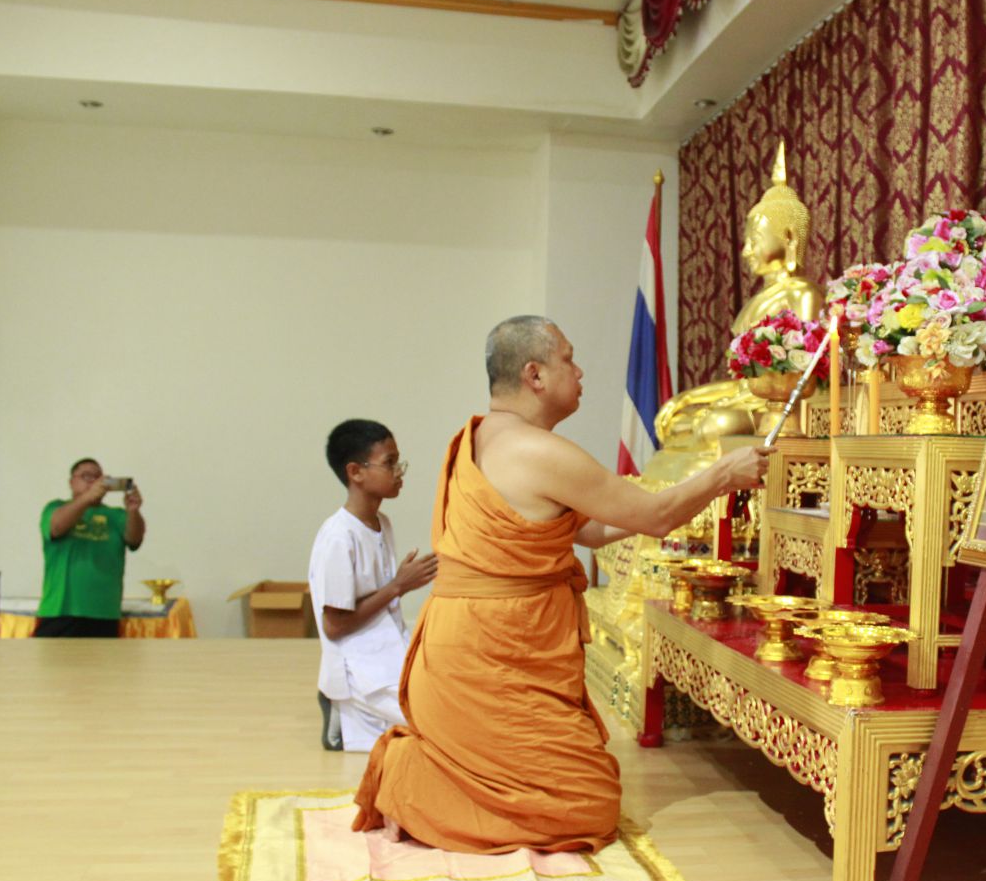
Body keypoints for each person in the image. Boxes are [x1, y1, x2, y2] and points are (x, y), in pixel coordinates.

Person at [351, 315, 771, 852]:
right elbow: (657, 517)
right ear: (535, 375)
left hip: (476, 645)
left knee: (576, 795)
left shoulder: (478, 438)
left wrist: (656, 500)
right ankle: (411, 783)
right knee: (588, 809)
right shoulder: (538, 451)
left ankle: (423, 776)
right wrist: (722, 475)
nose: (580, 371)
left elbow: (591, 530)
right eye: (568, 359)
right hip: (490, 652)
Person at [309, 419, 437, 753]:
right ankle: (340, 710)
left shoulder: (382, 523)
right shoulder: (339, 537)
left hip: (387, 651)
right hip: (359, 669)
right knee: (443, 728)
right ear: (356, 472)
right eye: (389, 463)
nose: (399, 472)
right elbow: (335, 625)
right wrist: (398, 586)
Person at [36, 458, 145, 638]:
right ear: (72, 482)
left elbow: (135, 540)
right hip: (61, 610)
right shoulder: (56, 507)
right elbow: (56, 527)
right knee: (52, 657)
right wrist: (87, 497)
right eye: (86, 476)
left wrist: (133, 510)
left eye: (98, 477)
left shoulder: (116, 515)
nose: (94, 482)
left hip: (105, 612)